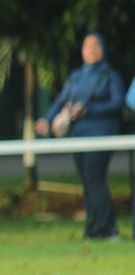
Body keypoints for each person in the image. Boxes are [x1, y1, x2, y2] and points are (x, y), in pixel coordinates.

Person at [36, 32, 125, 240]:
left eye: (96, 46)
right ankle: (95, 228)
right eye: (88, 46)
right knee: (87, 182)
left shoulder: (110, 75)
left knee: (95, 179)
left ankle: (105, 228)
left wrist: (88, 109)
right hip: (78, 135)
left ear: (103, 49)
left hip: (101, 133)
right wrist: (47, 120)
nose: (92, 50)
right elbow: (61, 100)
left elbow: (117, 103)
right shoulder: (76, 76)